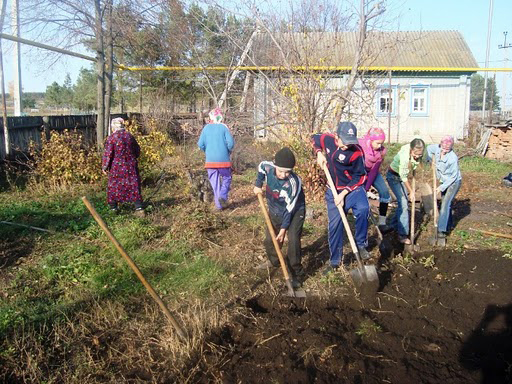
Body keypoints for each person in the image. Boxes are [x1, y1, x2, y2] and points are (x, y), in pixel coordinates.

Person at [312, 121, 371, 273]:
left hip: (352, 190)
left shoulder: (356, 152)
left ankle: (361, 244)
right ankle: (335, 261)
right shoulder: (329, 140)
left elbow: (360, 176)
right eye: (345, 143)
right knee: (335, 225)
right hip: (333, 191)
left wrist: (344, 193)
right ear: (337, 137)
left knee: (364, 209)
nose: (347, 146)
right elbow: (315, 138)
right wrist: (319, 152)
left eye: (350, 143)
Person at [254, 147, 306, 289]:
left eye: (287, 171)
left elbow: (290, 209)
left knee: (293, 241)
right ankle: (274, 260)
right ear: (275, 165)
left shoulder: (293, 183)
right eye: (280, 170)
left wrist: (284, 229)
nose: (283, 174)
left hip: (294, 211)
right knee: (270, 239)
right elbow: (260, 168)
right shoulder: (268, 167)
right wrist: (258, 184)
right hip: (275, 208)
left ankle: (296, 274)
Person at [385, 138, 426, 244]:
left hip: (400, 176)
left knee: (402, 203)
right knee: (403, 203)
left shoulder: (416, 149)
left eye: (420, 155)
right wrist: (411, 191)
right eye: (415, 154)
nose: (417, 156)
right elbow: (404, 177)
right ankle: (402, 235)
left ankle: (393, 225)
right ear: (411, 150)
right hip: (393, 177)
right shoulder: (404, 157)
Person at [102, 117, 144, 216]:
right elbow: (137, 150)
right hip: (131, 165)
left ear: (113, 127)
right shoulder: (130, 136)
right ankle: (139, 208)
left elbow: (108, 154)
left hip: (116, 167)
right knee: (133, 185)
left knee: (114, 186)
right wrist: (133, 158)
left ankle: (113, 208)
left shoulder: (112, 138)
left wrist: (104, 167)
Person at [426, 135, 462, 246]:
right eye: (444, 147)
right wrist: (430, 160)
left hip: (453, 183)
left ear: (451, 147)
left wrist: (441, 188)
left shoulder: (452, 158)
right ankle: (448, 224)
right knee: (446, 205)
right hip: (443, 181)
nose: (445, 150)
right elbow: (428, 149)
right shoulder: (436, 148)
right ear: (440, 144)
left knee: (445, 205)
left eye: (448, 148)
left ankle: (441, 232)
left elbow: (453, 177)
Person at [197, 107, 235, 210]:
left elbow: (200, 144)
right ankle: (222, 197)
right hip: (223, 161)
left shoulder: (206, 128)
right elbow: (231, 144)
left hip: (210, 162)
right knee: (227, 178)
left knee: (215, 183)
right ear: (220, 117)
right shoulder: (223, 127)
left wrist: (207, 151)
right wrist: (228, 151)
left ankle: (219, 206)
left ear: (210, 117)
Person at [358, 127, 392, 232]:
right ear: (370, 140)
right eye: (377, 143)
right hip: (359, 172)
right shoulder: (360, 145)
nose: (380, 145)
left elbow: (374, 171)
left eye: (381, 143)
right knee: (358, 194)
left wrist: (367, 187)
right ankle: (358, 218)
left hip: (372, 172)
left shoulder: (381, 152)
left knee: (385, 193)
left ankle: (382, 223)